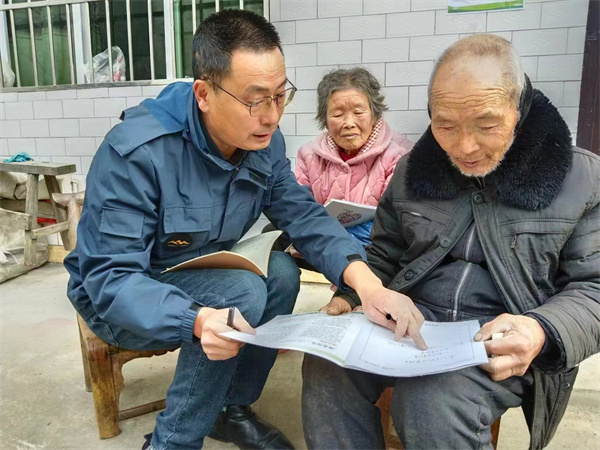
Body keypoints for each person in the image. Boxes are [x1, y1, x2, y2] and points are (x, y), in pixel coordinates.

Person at [64, 9, 425, 450]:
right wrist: (195, 319)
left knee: (281, 274)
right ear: (204, 94)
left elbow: (304, 215)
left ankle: (231, 409)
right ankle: (171, 442)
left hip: (198, 270)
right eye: (255, 101)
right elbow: (110, 279)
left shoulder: (262, 144)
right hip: (121, 299)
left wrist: (368, 287)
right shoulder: (137, 153)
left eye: (280, 96)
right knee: (240, 292)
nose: (272, 117)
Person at [302, 34, 600, 450]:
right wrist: (352, 294)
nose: (464, 147)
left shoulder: (582, 179)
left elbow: (593, 288)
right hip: (413, 321)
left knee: (429, 402)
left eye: (487, 124)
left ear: (520, 109)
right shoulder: (412, 170)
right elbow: (384, 254)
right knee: (327, 363)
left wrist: (540, 329)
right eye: (445, 126)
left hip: (503, 333)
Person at [294, 68, 413, 246]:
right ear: (325, 119)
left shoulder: (400, 156)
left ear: (375, 114)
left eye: (358, 112)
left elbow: (393, 224)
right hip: (317, 248)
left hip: (374, 252)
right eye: (337, 114)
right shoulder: (308, 155)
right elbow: (297, 210)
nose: (349, 123)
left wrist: (326, 240)